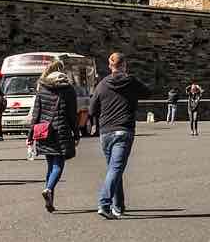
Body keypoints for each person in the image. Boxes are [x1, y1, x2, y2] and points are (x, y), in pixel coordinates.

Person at [88, 51, 150, 220]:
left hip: (106, 132)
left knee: (114, 169)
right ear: (124, 65)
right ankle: (104, 203)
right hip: (124, 130)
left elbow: (92, 109)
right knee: (116, 169)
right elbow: (148, 92)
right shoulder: (131, 81)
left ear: (110, 66)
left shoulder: (102, 84)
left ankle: (119, 206)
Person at [28, 59, 78, 213]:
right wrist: (76, 134)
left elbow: (36, 113)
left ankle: (50, 202)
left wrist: (30, 134)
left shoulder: (42, 87)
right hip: (61, 130)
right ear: (62, 72)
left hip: (44, 131)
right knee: (58, 165)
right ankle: (49, 189)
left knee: (50, 165)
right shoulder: (68, 89)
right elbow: (72, 115)